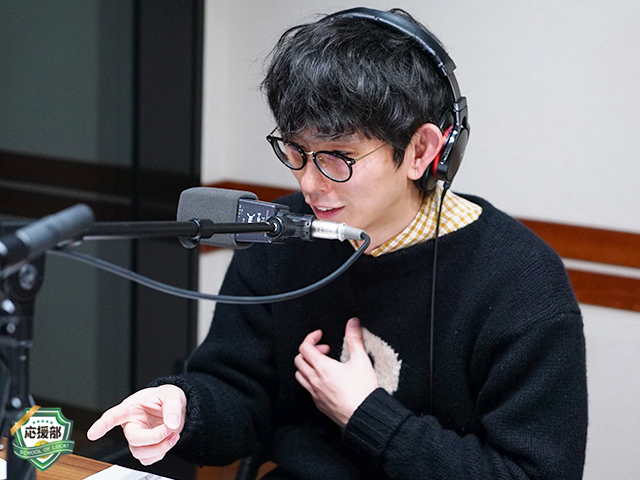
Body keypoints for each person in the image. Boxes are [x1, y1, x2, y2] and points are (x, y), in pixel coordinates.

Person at [87, 8, 588, 480]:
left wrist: (367, 414)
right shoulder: (281, 233)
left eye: (338, 157)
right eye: (297, 151)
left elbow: (531, 472)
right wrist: (184, 406)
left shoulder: (520, 282)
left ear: (421, 151)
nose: (310, 184)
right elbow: (239, 392)